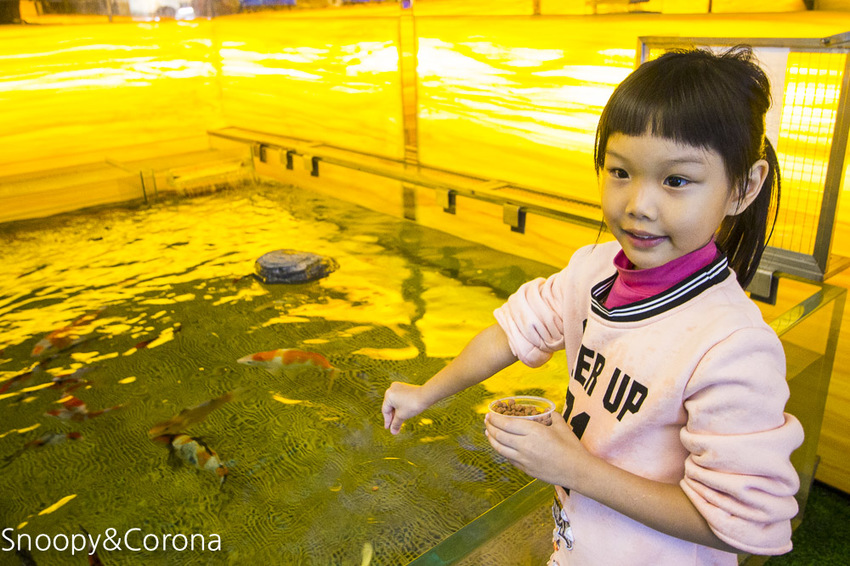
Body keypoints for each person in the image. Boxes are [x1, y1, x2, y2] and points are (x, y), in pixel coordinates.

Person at [381, 46, 805, 566]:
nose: (637, 206)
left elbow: (738, 525)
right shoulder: (592, 269)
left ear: (744, 187)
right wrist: (426, 393)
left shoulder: (734, 346)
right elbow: (514, 331)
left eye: (676, 180)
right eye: (621, 172)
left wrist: (571, 468)